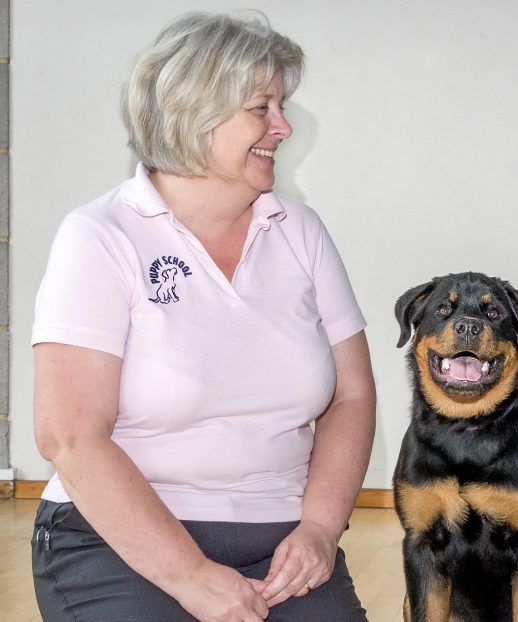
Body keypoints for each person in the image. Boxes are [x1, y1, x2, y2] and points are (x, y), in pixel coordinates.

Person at [31, 12, 375, 622]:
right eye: (261, 108)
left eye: (282, 105)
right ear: (196, 116)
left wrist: (320, 530)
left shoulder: (301, 231)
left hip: (281, 538)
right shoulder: (99, 236)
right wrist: (189, 576)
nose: (283, 126)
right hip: (118, 539)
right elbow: (70, 437)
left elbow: (350, 396)